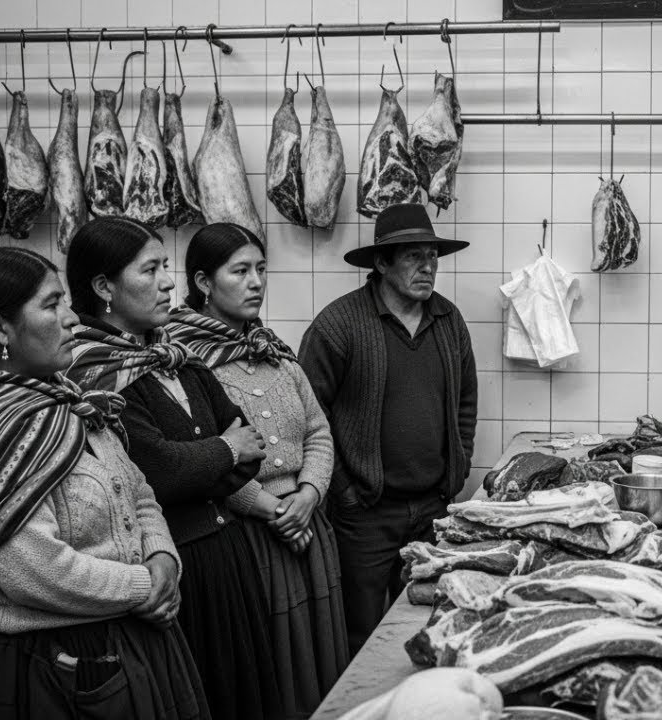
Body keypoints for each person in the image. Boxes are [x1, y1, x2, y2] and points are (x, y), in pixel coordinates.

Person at [0, 247, 209, 719]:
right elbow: (34, 570)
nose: (73, 318)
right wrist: (147, 586)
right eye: (52, 304)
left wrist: (162, 558)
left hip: (114, 641)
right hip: (24, 669)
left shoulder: (63, 403)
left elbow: (138, 493)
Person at [63, 217, 284, 720]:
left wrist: (214, 459)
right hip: (167, 571)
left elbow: (251, 447)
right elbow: (156, 472)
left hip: (227, 557)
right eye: (151, 269)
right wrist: (222, 453)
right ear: (104, 288)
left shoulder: (178, 359)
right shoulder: (92, 372)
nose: (168, 281)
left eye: (167, 266)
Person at [167, 222, 350, 711]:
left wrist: (309, 493)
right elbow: (204, 457)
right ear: (204, 282)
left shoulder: (274, 354)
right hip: (249, 536)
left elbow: (318, 430)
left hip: (307, 529)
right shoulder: (184, 363)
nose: (256, 282)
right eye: (241, 270)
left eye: (262, 269)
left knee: (318, 659)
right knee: (273, 668)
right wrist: (270, 507)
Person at [298, 203, 478, 653]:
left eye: (432, 255)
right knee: (361, 634)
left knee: (430, 624)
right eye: (414, 256)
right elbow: (307, 416)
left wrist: (457, 469)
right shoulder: (339, 325)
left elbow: (466, 403)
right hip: (366, 515)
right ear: (381, 263)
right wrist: (344, 491)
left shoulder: (448, 320)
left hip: (434, 507)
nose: (428, 267)